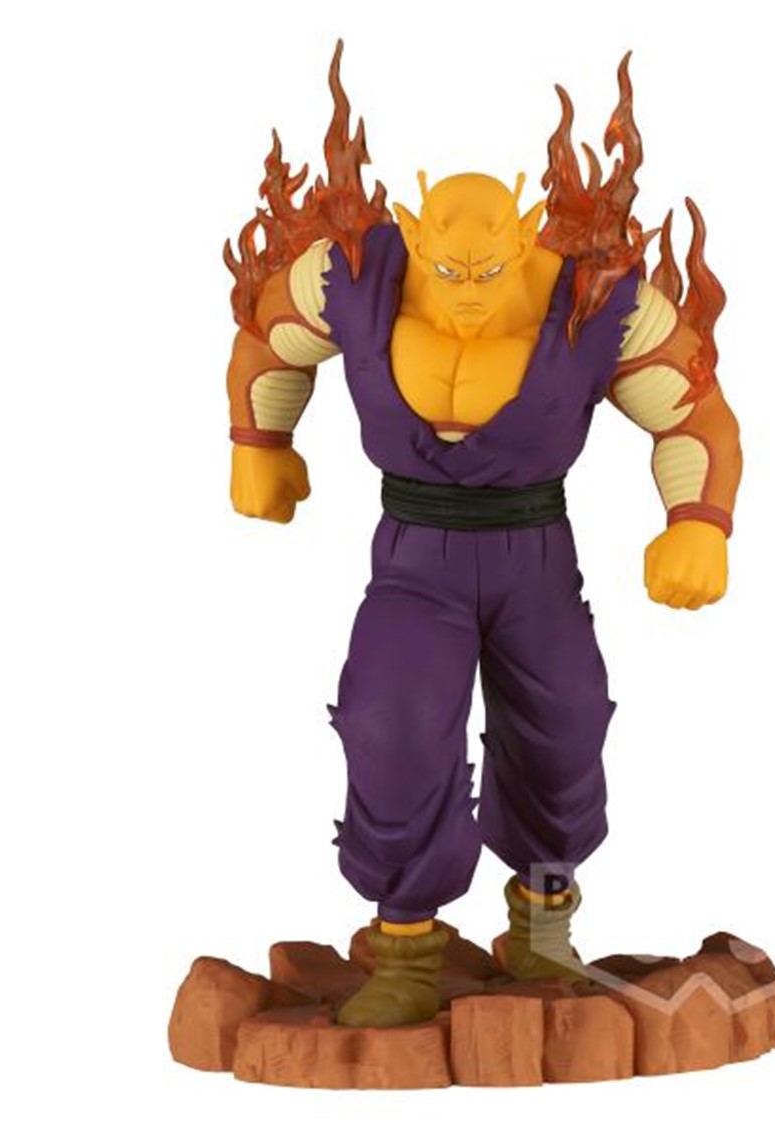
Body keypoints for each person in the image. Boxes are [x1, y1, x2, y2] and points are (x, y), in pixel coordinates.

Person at [223, 45, 741, 1028]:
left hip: (534, 553)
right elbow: (267, 339)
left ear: (525, 233)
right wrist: (261, 443)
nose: (466, 288)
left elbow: (694, 413)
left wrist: (699, 522)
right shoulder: (356, 275)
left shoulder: (593, 294)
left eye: (489, 270)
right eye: (449, 268)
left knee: (566, 726)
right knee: (392, 721)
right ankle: (405, 947)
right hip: (413, 556)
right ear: (414, 232)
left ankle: (542, 924)